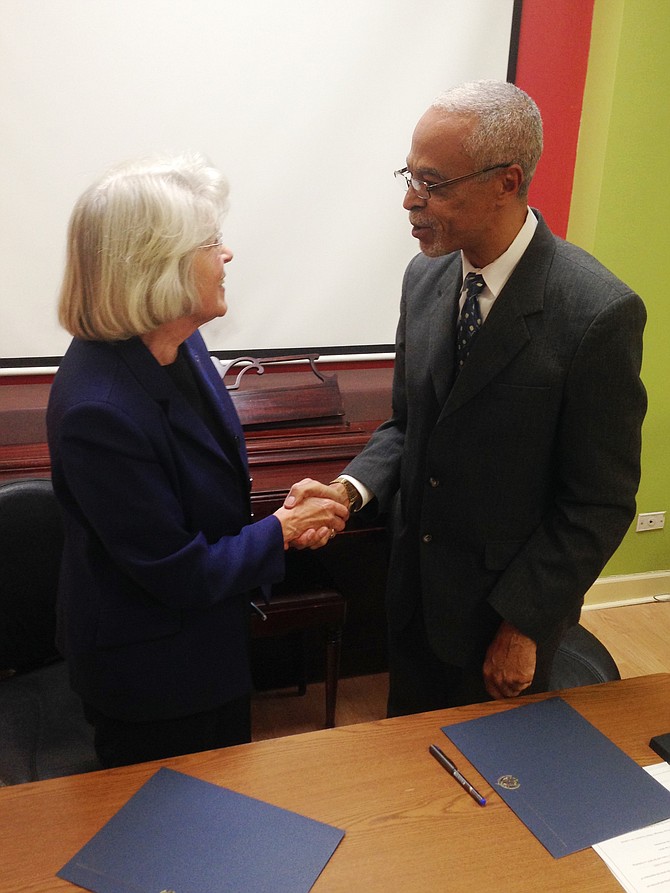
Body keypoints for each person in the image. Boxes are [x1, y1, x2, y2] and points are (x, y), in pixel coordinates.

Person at [287, 80, 647, 716]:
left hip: (503, 627)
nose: (409, 200)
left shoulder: (597, 313)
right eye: (409, 176)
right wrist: (349, 490)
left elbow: (598, 502)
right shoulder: (425, 276)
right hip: (415, 606)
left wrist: (524, 625)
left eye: (433, 183)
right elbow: (408, 426)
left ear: (508, 182)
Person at [46, 153, 348, 767]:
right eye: (212, 242)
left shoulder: (175, 342)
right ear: (160, 266)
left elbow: (204, 486)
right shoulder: (97, 411)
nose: (227, 255)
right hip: (151, 677)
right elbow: (175, 570)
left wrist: (273, 523)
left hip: (206, 646)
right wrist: (280, 533)